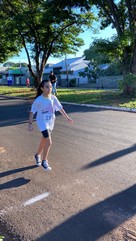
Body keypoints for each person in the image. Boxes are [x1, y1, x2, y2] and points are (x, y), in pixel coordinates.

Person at [28, 79, 73, 171]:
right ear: (42, 88)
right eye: (47, 87)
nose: (49, 89)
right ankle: (44, 161)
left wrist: (67, 118)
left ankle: (37, 155)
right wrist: (30, 123)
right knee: (49, 142)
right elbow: (32, 112)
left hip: (50, 122)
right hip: (42, 123)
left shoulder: (53, 98)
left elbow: (60, 108)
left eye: (51, 87)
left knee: (43, 141)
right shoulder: (39, 100)